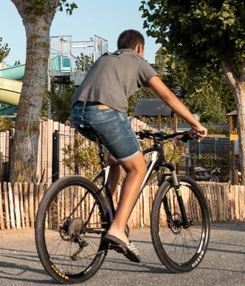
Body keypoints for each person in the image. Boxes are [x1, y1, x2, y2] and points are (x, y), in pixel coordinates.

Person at [70, 30, 207, 263]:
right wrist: (196, 124)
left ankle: (107, 211)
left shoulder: (105, 58)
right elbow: (169, 98)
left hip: (78, 114)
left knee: (117, 161)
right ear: (139, 48)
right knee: (138, 169)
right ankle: (117, 229)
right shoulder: (138, 61)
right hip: (106, 113)